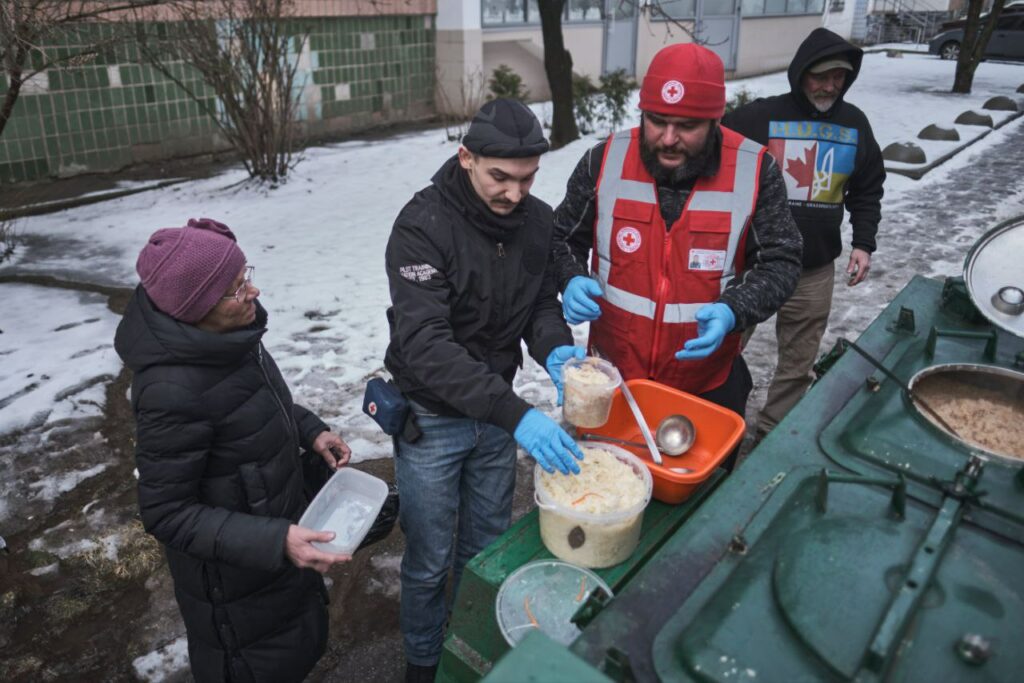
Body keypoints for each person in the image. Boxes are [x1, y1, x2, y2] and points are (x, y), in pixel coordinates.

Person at [383, 98, 584, 682]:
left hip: (498, 415)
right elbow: (425, 344)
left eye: (527, 179)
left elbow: (540, 304)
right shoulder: (422, 226)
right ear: (466, 157)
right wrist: (516, 414)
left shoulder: (538, 222)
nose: (514, 194)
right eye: (500, 176)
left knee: (487, 546)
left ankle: (470, 649)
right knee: (428, 560)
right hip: (433, 419)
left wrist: (553, 349)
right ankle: (423, 663)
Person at [114, 218, 352, 682]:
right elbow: (166, 512)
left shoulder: (227, 338)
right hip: (235, 588)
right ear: (193, 307)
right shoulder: (170, 389)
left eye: (245, 275)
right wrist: (274, 540)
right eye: (235, 288)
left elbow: (253, 404)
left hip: (274, 550)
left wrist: (309, 430)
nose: (254, 291)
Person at [551, 43, 803, 441]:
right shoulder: (604, 161)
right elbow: (560, 237)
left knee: (704, 498)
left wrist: (734, 309)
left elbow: (781, 259)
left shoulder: (755, 170)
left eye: (686, 126)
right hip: (615, 379)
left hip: (706, 382)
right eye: (656, 121)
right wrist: (569, 276)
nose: (667, 139)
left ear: (715, 121)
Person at [722, 28, 885, 440]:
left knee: (798, 363)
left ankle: (771, 438)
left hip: (813, 271)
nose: (830, 85)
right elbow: (712, 152)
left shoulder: (855, 124)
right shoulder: (759, 117)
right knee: (722, 347)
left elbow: (867, 188)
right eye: (821, 76)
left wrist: (863, 243)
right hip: (754, 267)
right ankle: (711, 419)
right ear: (800, 73)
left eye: (839, 77)